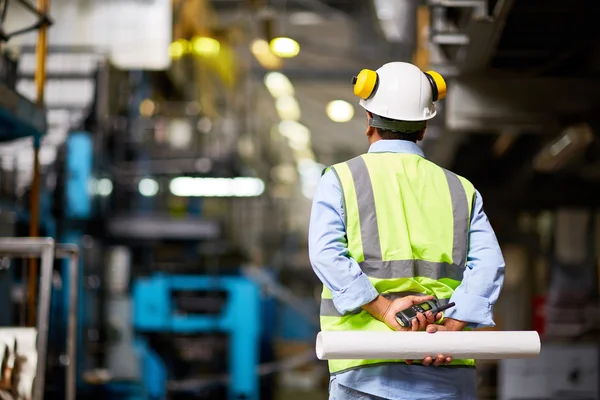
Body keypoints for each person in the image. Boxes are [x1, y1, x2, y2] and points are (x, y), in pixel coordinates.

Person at [308, 61, 505, 400]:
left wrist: (384, 309)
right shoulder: (460, 189)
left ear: (369, 120)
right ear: (424, 127)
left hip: (364, 364)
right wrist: (452, 327)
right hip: (445, 368)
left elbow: (327, 255)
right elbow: (488, 265)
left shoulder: (340, 180)